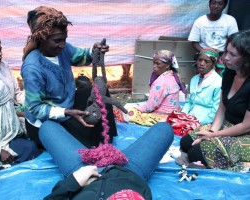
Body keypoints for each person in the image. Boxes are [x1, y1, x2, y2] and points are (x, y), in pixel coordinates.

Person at [21, 6, 117, 149]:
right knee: (84, 143)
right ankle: (93, 144)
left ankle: (107, 140)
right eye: (57, 41)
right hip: (45, 120)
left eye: (64, 39)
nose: (62, 45)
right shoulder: (32, 67)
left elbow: (82, 56)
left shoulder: (62, 49)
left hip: (66, 105)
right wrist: (66, 112)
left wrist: (94, 50)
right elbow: (36, 108)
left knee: (100, 92)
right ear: (41, 38)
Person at [42, 122, 174, 199]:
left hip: (84, 171)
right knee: (164, 129)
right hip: (130, 170)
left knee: (47, 127)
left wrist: (74, 181)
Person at [179, 30, 250, 172]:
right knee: (186, 142)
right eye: (226, 52)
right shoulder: (229, 73)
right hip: (228, 125)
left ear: (246, 58)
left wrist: (213, 135)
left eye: (232, 55)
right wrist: (210, 132)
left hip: (245, 133)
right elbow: (222, 108)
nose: (225, 58)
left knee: (196, 153)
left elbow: (246, 126)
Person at [115, 50, 187, 126]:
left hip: (164, 117)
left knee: (127, 111)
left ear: (167, 65)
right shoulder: (173, 75)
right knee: (136, 105)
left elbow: (150, 107)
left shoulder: (161, 82)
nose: (154, 66)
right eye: (154, 63)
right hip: (174, 114)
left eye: (158, 64)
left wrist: (137, 108)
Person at [188, 0, 238, 75]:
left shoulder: (230, 20)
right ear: (209, 4)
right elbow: (194, 42)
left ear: (224, 6)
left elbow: (233, 40)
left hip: (222, 55)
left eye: (220, 3)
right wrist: (207, 54)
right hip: (204, 55)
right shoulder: (200, 21)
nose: (216, 6)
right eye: (213, 3)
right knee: (203, 80)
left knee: (221, 80)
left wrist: (226, 53)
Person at [181, 48, 222, 125]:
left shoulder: (218, 82)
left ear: (213, 64)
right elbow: (189, 101)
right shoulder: (194, 79)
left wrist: (198, 123)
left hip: (205, 121)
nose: (202, 63)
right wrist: (183, 114)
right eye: (200, 60)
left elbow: (216, 110)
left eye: (207, 61)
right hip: (189, 118)